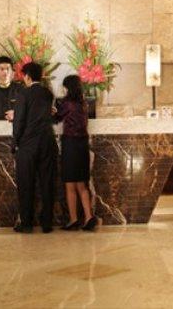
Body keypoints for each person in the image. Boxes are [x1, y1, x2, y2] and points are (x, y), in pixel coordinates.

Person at [11, 62, 58, 234]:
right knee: (47, 183)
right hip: (47, 142)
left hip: (28, 144)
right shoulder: (48, 93)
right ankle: (47, 224)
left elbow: (20, 120)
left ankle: (27, 224)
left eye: (24, 76)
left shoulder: (23, 93)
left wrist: (14, 142)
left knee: (26, 184)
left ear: (27, 76)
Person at [54, 75, 98, 232]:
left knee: (70, 184)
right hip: (83, 145)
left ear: (68, 88)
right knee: (81, 183)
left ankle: (73, 219)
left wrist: (52, 111)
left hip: (70, 144)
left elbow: (56, 118)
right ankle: (88, 217)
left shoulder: (66, 104)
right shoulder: (84, 104)